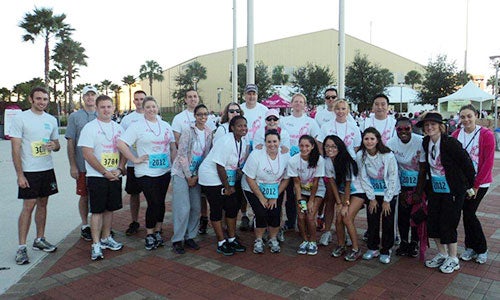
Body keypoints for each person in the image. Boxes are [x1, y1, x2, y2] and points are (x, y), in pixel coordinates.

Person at [416, 112, 475, 274]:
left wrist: (469, 185)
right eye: (426, 125)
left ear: (440, 126)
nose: (429, 128)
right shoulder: (425, 142)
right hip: (435, 188)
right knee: (433, 221)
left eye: (433, 125)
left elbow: (467, 163)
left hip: (453, 190)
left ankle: (453, 258)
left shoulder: (450, 143)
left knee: (449, 222)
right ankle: (442, 254)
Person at [117, 96, 176, 251]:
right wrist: (134, 159)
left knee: (161, 202)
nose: (151, 110)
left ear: (158, 108)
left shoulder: (165, 125)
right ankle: (149, 234)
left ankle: (158, 230)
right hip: (145, 171)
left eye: (153, 107)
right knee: (153, 202)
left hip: (163, 170)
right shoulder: (137, 126)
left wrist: (174, 164)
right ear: (143, 109)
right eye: (148, 107)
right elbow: (121, 143)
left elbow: (172, 146)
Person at [11, 87, 60, 265]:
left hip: (46, 168)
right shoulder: (20, 118)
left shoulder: (51, 120)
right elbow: (15, 148)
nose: (42, 102)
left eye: (45, 99)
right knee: (28, 206)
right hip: (29, 171)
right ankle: (21, 247)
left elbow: (57, 143)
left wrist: (53, 146)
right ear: (31, 99)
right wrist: (20, 174)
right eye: (38, 99)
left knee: (43, 204)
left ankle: (39, 239)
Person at [79, 95, 127, 260]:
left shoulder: (118, 128)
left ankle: (107, 238)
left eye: (109, 107)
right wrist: (104, 172)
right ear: (97, 109)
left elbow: (124, 151)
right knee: (97, 211)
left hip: (114, 175)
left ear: (113, 108)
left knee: (109, 209)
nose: (106, 110)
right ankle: (96, 244)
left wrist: (120, 169)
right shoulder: (89, 128)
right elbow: (87, 154)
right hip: (97, 176)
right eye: (102, 107)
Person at [198, 115, 248, 255]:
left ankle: (231, 238)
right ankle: (221, 241)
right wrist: (227, 187)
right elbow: (219, 166)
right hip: (211, 177)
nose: (243, 128)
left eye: (245, 125)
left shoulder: (242, 141)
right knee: (217, 209)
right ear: (232, 128)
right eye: (239, 126)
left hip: (225, 177)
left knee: (231, 207)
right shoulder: (226, 141)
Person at [452, 105, 494, 264]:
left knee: (469, 213)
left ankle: (482, 249)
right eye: (462, 117)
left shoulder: (485, 135)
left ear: (476, 115)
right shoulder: (456, 135)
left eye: (469, 116)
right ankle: (470, 248)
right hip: (462, 183)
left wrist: (476, 186)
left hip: (479, 183)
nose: (466, 120)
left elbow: (487, 163)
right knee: (467, 214)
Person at [170, 104, 213, 254]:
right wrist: (189, 176)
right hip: (182, 173)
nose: (202, 117)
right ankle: (177, 239)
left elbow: (207, 156)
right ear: (195, 116)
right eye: (199, 114)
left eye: (205, 114)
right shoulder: (188, 131)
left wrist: (197, 176)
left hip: (196, 174)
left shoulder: (208, 133)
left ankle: (190, 236)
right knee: (183, 208)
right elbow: (181, 155)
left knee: (195, 207)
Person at [318, 99, 362, 244]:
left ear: (348, 110)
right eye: (338, 109)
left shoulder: (353, 127)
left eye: (343, 109)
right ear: (334, 110)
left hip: (346, 168)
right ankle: (327, 231)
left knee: (345, 202)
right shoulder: (326, 126)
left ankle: (347, 232)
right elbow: (320, 144)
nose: (340, 112)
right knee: (330, 200)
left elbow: (355, 147)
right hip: (330, 167)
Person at [242, 129, 290, 254]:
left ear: (279, 142)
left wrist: (275, 196)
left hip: (275, 188)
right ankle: (258, 239)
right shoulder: (256, 155)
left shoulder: (285, 155)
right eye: (269, 142)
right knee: (261, 212)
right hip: (253, 187)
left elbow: (286, 179)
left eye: (275, 141)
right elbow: (249, 178)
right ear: (264, 143)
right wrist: (261, 197)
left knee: (274, 212)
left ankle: (273, 238)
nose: (272, 144)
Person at [281, 93, 322, 238]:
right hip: (288, 163)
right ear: (291, 104)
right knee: (290, 194)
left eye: (301, 102)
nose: (298, 104)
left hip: (305, 166)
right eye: (295, 101)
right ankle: (291, 221)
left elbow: (317, 142)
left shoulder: (311, 122)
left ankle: (306, 222)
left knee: (305, 192)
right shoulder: (284, 121)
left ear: (305, 105)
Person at [357, 127, 400, 264]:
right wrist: (371, 198)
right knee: (372, 220)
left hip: (389, 192)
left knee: (388, 221)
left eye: (372, 139)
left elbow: (393, 177)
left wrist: (387, 199)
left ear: (377, 140)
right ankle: (372, 247)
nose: (369, 142)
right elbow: (363, 177)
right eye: (366, 139)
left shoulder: (388, 155)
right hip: (373, 193)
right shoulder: (361, 155)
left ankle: (386, 249)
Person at [387, 118, 425, 257]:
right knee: (403, 215)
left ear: (411, 128)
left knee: (416, 215)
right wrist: (401, 191)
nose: (403, 132)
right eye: (400, 129)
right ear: (396, 129)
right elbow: (392, 169)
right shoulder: (391, 143)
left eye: (407, 129)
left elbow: (423, 168)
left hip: (419, 183)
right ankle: (404, 242)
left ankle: (414, 242)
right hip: (402, 184)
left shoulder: (420, 141)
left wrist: (419, 192)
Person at [323, 135, 365, 261]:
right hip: (342, 191)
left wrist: (345, 204)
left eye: (333, 146)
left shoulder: (346, 160)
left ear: (339, 147)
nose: (330, 149)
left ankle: (356, 249)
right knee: (338, 219)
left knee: (346, 217)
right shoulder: (327, 161)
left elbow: (348, 184)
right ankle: (341, 245)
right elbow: (332, 183)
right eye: (327, 146)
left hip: (357, 191)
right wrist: (338, 202)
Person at [65, 85, 98, 241]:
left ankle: (101, 226)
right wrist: (73, 165)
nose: (90, 98)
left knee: (99, 196)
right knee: (84, 196)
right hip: (83, 166)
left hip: (101, 167)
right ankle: (85, 225)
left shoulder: (103, 113)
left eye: (93, 95)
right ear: (83, 98)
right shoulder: (75, 117)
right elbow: (71, 142)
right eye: (87, 95)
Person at [287, 135, 325, 255]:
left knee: (310, 215)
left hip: (317, 191)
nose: (304, 148)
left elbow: (316, 182)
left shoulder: (319, 160)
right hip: (302, 191)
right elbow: (296, 184)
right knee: (301, 215)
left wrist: (311, 201)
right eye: (301, 146)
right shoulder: (293, 161)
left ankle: (313, 241)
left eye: (307, 146)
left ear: (313, 146)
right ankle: (305, 240)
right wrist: (300, 201)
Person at [118, 90, 147, 236]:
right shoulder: (127, 120)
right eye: (136, 99)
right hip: (132, 164)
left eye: (142, 98)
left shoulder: (154, 116)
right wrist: (121, 164)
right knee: (134, 194)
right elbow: (122, 144)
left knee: (151, 196)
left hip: (149, 165)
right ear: (133, 101)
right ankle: (134, 221)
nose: (139, 101)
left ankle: (152, 221)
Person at [239, 84, 268, 230]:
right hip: (242, 150)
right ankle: (244, 214)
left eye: (254, 94)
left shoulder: (264, 110)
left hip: (259, 151)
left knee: (258, 183)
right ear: (245, 95)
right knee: (244, 184)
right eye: (249, 94)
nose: (251, 96)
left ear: (257, 95)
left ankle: (258, 214)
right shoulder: (240, 109)